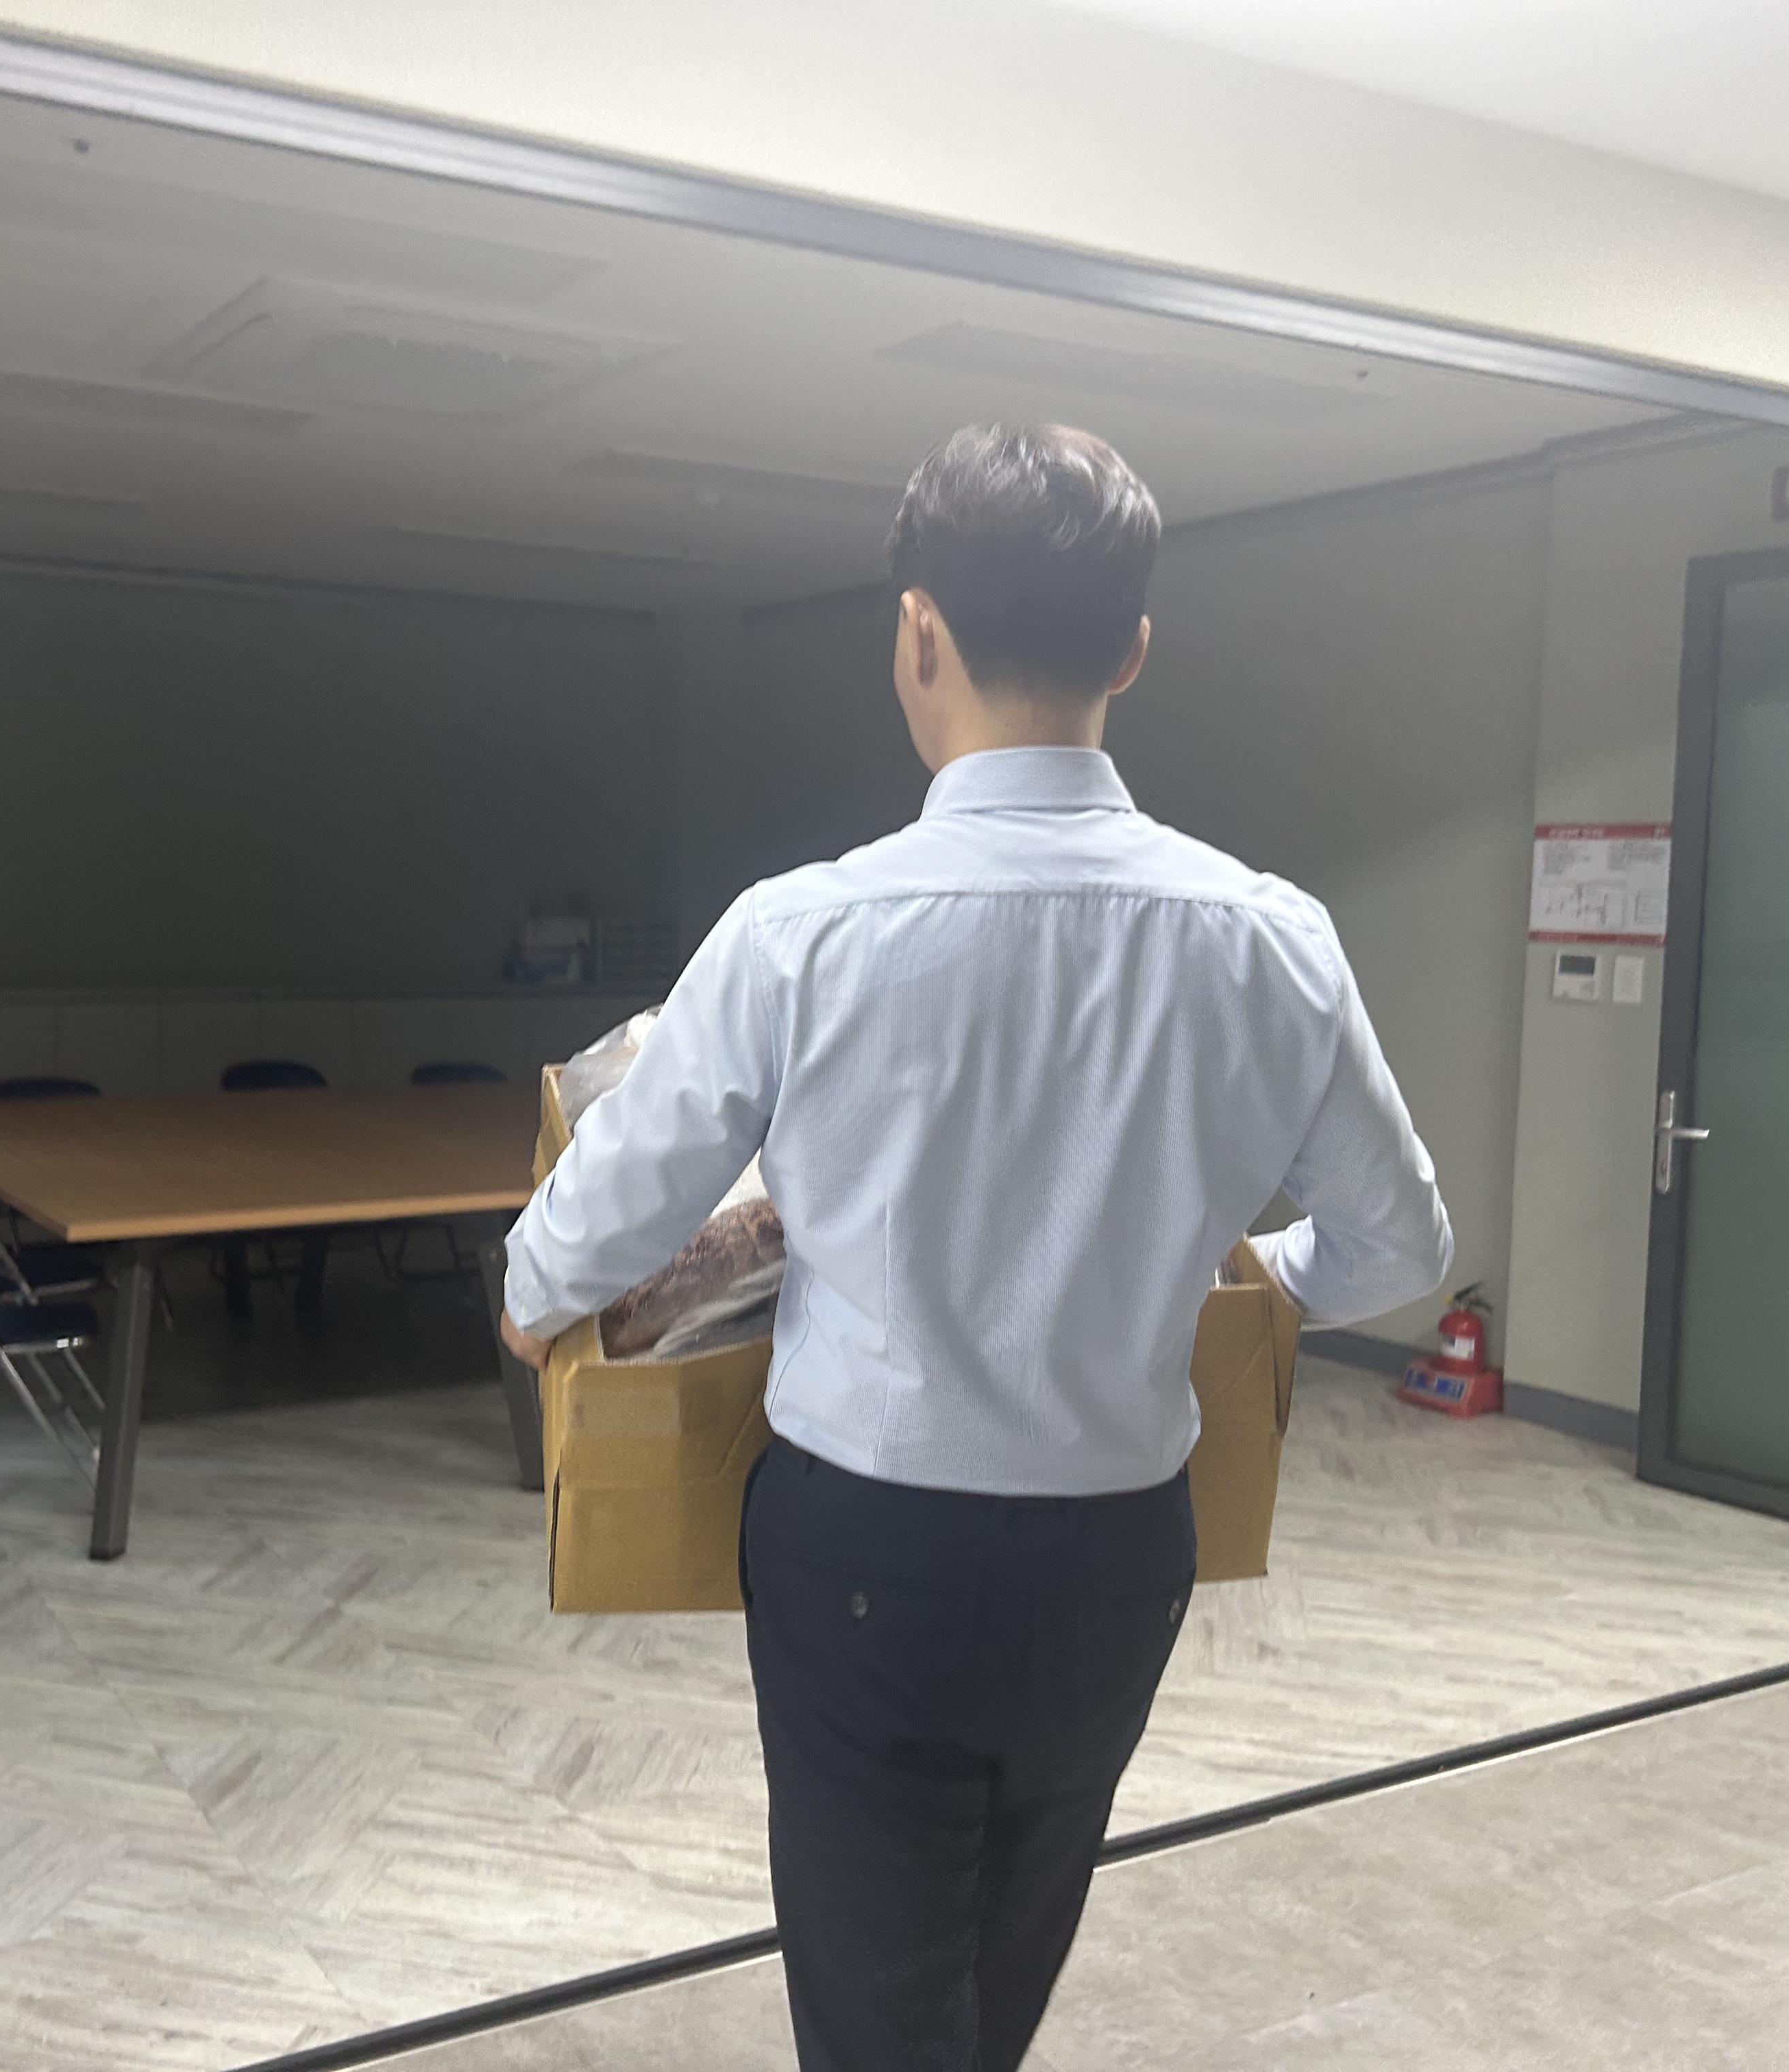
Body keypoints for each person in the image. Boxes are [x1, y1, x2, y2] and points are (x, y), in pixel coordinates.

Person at [496, 423, 1452, 2071]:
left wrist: (527, 1304)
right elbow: (1397, 1244)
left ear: (916, 633)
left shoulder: (800, 933)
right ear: (1132, 650)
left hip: (866, 1550)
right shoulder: (1270, 939)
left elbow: (607, 1214)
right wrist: (1255, 1279)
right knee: (1004, 1964)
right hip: (1123, 1550)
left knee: (876, 1999)